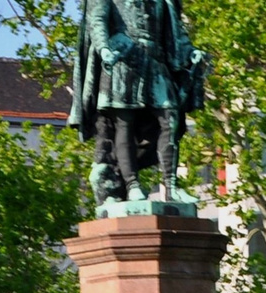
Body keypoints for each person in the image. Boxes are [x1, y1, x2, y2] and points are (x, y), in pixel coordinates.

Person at [68, 0, 206, 206]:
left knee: (171, 118)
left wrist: (190, 51)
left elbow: (175, 32)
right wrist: (104, 48)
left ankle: (171, 187)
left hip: (154, 61)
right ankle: (132, 185)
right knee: (124, 123)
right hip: (123, 59)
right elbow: (97, 20)